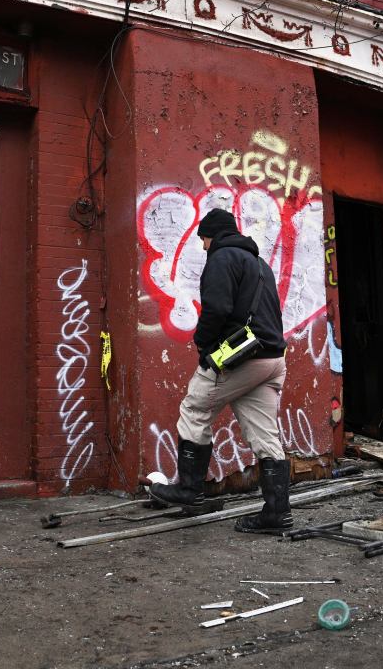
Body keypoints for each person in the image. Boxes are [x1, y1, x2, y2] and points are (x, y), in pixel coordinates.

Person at [150, 208, 292, 535]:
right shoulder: (260, 265)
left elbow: (217, 309)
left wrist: (202, 344)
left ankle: (190, 490)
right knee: (265, 434)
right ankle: (276, 513)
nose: (202, 246)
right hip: (272, 357)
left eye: (203, 239)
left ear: (211, 235)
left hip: (240, 357)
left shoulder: (221, 258)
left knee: (194, 407)